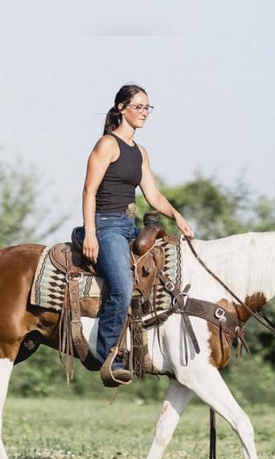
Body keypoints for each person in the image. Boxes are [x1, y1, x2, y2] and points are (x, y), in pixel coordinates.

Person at [81, 84, 194, 385]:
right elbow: (89, 190)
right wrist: (91, 234)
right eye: (139, 106)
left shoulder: (140, 152)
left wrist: (177, 215)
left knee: (167, 276)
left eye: (147, 108)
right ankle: (108, 356)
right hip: (106, 225)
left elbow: (153, 195)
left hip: (130, 226)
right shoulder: (107, 144)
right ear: (121, 108)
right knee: (122, 286)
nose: (144, 113)